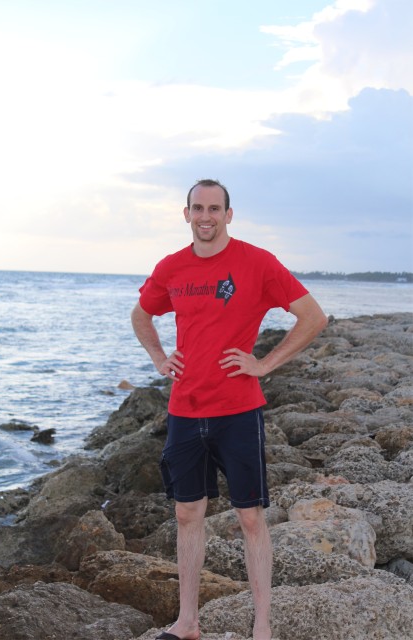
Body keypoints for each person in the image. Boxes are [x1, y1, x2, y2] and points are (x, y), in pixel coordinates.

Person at [131, 178, 328, 640]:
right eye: (197, 208)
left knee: (250, 516)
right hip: (184, 408)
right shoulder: (172, 267)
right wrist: (160, 358)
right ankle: (188, 622)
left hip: (239, 410)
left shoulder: (256, 262)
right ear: (186, 214)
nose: (205, 216)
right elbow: (141, 314)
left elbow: (314, 317)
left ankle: (262, 625)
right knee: (186, 513)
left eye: (214, 208)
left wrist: (264, 363)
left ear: (228, 214)